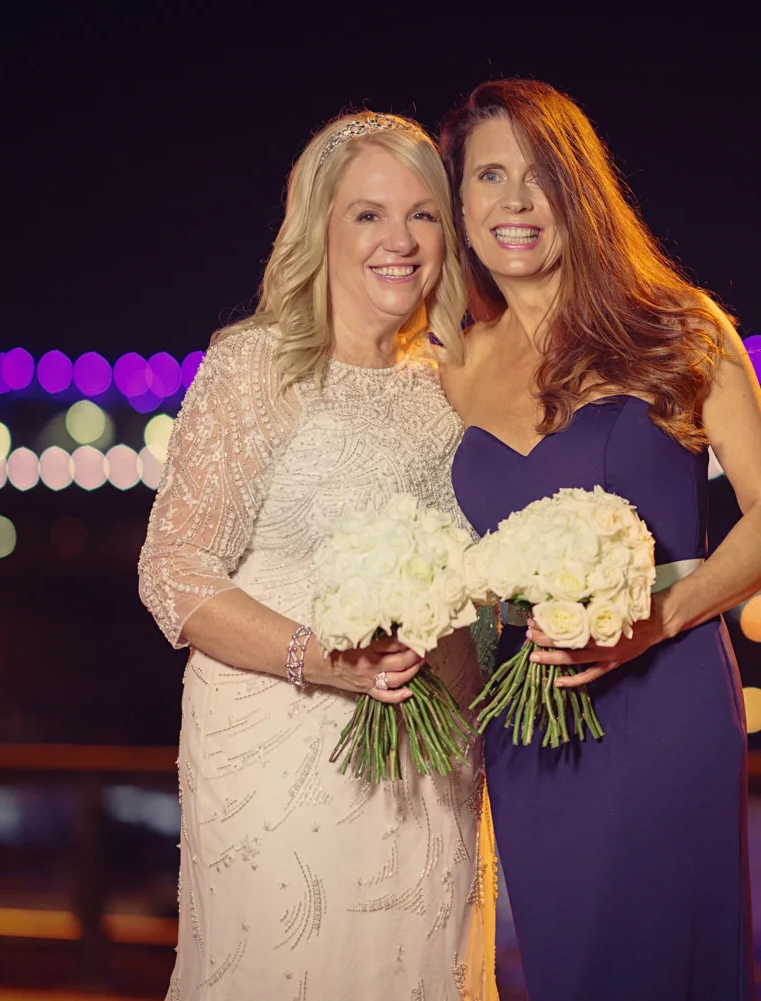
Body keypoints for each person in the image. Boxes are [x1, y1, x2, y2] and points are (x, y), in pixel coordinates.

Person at [440, 80, 761, 1000]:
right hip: (525, 720)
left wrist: (654, 621)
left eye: (541, 175)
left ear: (581, 192)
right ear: (460, 205)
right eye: (489, 175)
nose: (516, 201)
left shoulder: (676, 325)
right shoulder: (446, 363)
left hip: (664, 702)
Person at [138, 111, 496, 1000]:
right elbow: (173, 568)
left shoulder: (458, 384)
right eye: (369, 214)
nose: (399, 241)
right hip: (278, 752)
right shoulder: (257, 368)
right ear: (321, 228)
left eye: (423, 214)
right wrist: (323, 659)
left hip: (432, 759)